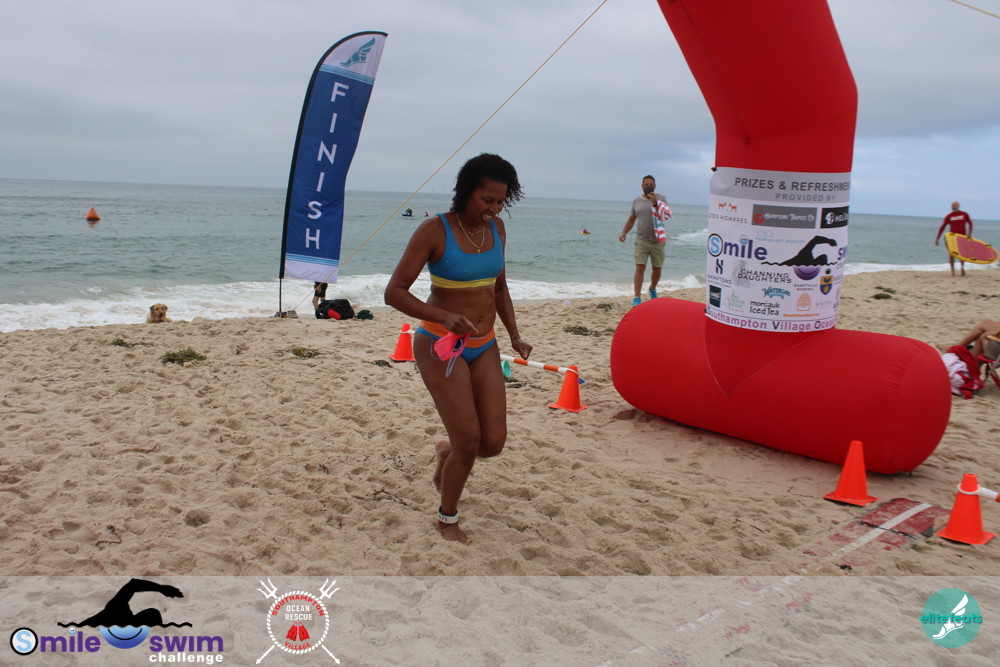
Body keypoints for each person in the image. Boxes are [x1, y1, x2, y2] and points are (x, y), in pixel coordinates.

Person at [384, 153, 532, 544]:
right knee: (468, 441)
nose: (494, 208)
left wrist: (515, 335)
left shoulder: (497, 228)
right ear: (467, 192)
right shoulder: (435, 230)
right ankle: (447, 519)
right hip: (440, 344)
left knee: (492, 443)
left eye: (501, 201)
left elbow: (499, 288)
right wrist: (442, 315)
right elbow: (394, 292)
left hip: (484, 344)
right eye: (487, 199)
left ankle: (446, 452)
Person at [618, 175, 669, 306]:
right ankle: (637, 297)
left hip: (658, 240)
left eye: (651, 184)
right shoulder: (636, 201)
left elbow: (666, 216)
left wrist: (655, 202)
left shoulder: (661, 199)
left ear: (655, 186)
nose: (648, 186)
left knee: (657, 269)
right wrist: (624, 232)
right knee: (640, 267)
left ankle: (652, 288)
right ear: (642, 186)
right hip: (642, 240)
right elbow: (632, 219)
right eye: (646, 184)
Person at [934, 201, 974, 277]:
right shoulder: (949, 216)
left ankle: (962, 268)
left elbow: (970, 223)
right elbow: (942, 227)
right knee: (951, 255)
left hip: (962, 237)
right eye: (952, 205)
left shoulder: (964, 214)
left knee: (962, 254)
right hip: (952, 238)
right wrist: (937, 238)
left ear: (958, 206)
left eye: (955, 205)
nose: (953, 207)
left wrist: (969, 233)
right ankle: (952, 271)